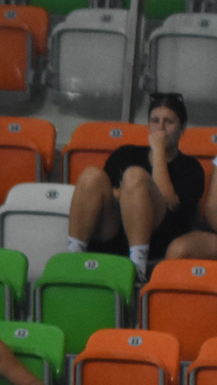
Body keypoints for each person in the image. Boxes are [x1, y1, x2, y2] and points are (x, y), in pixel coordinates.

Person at [66, 94, 204, 284]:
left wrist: (158, 152)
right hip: (113, 230)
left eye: (169, 122)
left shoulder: (191, 167)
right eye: (155, 120)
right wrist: (132, 196)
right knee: (91, 175)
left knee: (135, 176)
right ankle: (73, 259)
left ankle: (137, 269)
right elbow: (101, 193)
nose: (160, 127)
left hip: (158, 240)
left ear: (182, 129)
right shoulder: (125, 153)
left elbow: (169, 201)